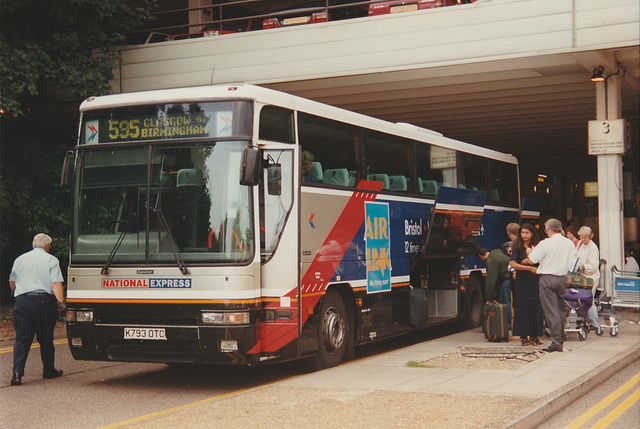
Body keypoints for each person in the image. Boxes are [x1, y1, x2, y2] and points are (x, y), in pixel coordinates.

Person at [9, 233, 65, 386]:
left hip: (22, 301)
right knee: (46, 337)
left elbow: (12, 281)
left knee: (22, 338)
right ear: (47, 246)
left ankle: (17, 374)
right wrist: (61, 302)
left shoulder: (19, 259)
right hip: (43, 301)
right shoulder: (51, 260)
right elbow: (55, 283)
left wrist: (17, 294)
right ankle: (48, 370)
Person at [524, 218, 576, 352]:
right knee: (560, 310)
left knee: (551, 311)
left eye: (546, 230)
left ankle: (556, 342)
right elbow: (573, 263)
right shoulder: (569, 243)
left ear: (550, 230)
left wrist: (529, 252)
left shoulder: (546, 243)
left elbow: (531, 260)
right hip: (561, 278)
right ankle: (560, 338)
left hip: (547, 278)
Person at [510, 223, 544, 346]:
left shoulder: (538, 246)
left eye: (527, 233)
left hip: (535, 280)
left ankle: (535, 335)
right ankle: (523, 336)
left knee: (536, 306)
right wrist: (528, 268)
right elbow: (513, 264)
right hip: (522, 280)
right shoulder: (517, 246)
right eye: (522, 233)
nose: (524, 235)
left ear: (532, 234)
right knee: (523, 306)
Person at [475, 242, 512, 330]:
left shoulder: (491, 260)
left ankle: (508, 325)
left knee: (505, 302)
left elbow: (491, 280)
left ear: (481, 256)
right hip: (512, 277)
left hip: (507, 280)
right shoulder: (496, 252)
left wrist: (489, 297)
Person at [575, 226, 600, 330]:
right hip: (581, 278)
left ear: (590, 237)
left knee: (589, 301)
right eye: (581, 237)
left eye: (585, 237)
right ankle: (583, 320)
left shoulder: (593, 248)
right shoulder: (580, 245)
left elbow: (593, 266)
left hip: (591, 278)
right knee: (580, 301)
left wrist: (582, 268)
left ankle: (595, 323)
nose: (583, 239)